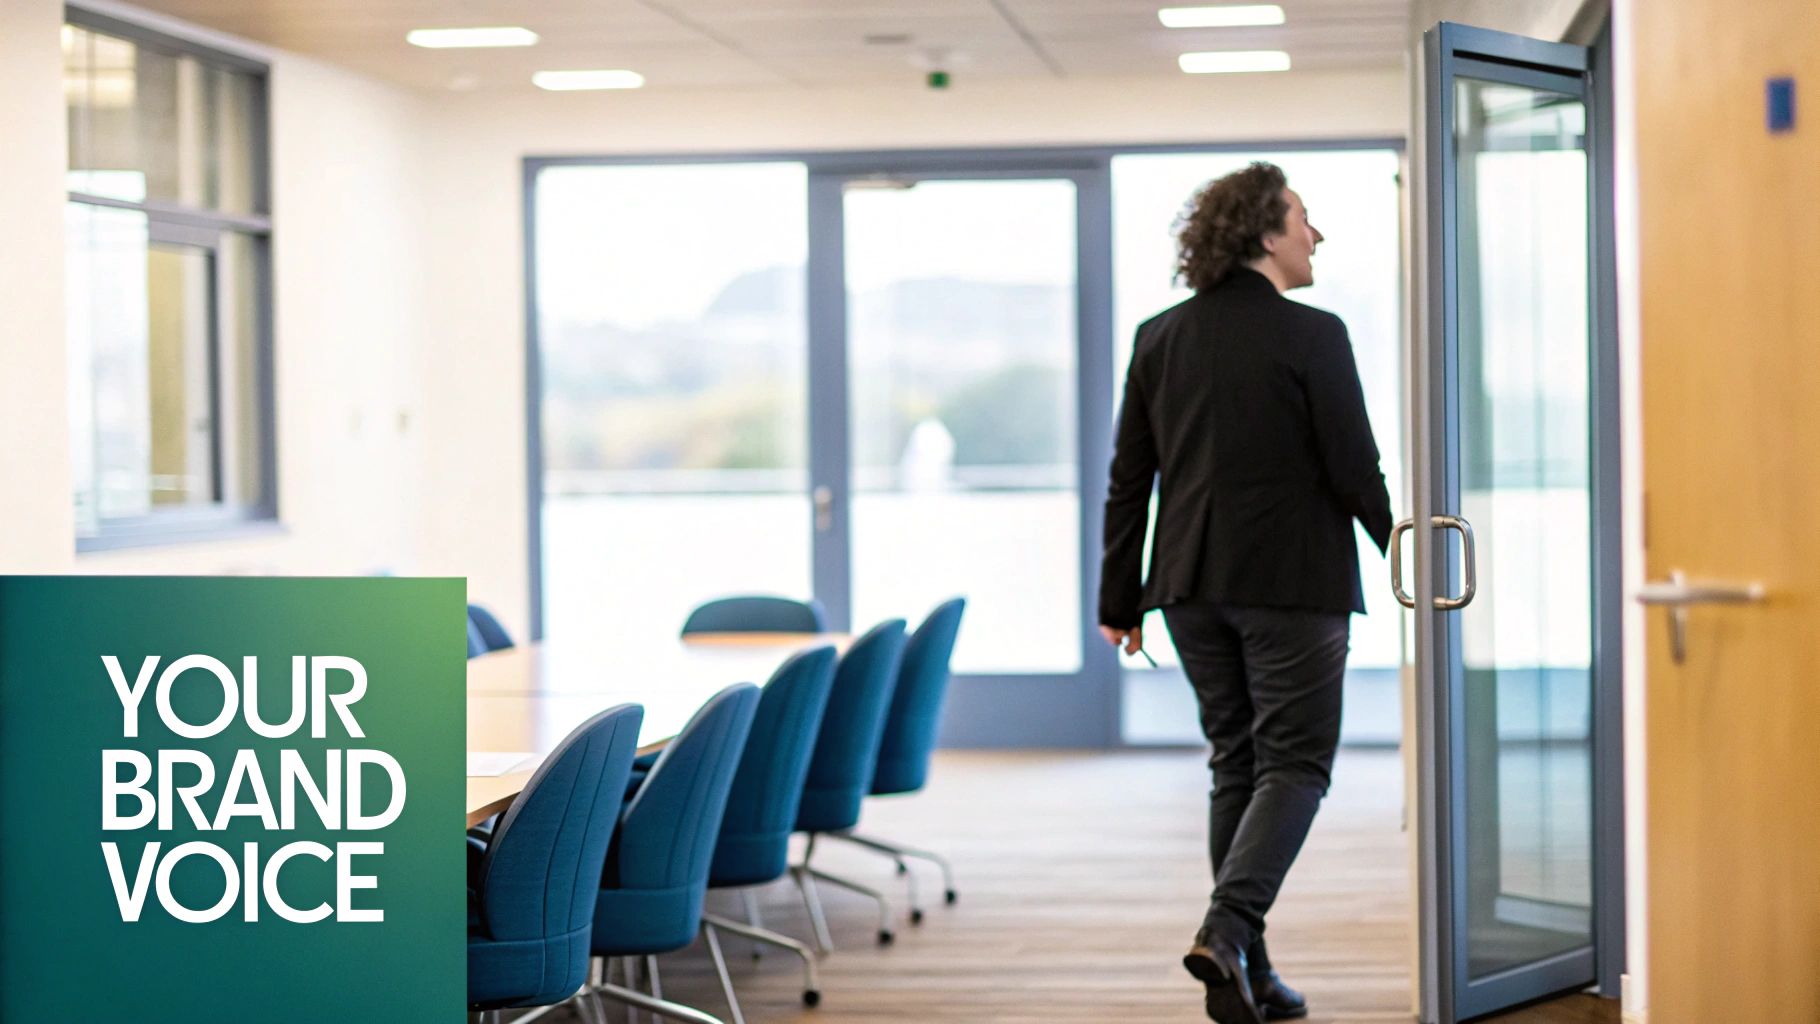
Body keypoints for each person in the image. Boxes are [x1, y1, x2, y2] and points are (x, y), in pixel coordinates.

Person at [1097, 162, 1393, 1024]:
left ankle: (1251, 976)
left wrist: (1121, 599)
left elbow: (1130, 481)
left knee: (1238, 764)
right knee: (1295, 765)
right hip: (1292, 586)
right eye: (1303, 218)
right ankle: (1226, 932)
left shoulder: (1160, 336)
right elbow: (1352, 466)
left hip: (1189, 585)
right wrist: (1403, 551)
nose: (1316, 234)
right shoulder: (1314, 334)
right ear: (1267, 234)